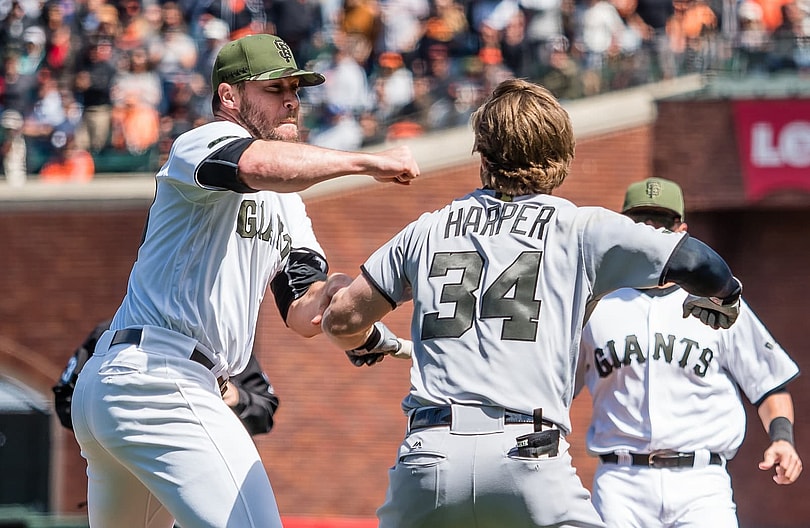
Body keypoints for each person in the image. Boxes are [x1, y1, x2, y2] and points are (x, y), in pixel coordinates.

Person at [320, 78, 743, 528]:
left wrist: (366, 338)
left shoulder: (427, 228)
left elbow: (341, 320)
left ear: (482, 153)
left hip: (430, 457)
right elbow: (699, 262)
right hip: (528, 456)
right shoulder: (581, 228)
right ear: (561, 155)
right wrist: (726, 295)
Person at [69, 33, 419, 528]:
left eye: (296, 88)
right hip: (159, 377)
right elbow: (260, 164)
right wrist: (367, 161)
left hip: (140, 382)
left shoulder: (290, 208)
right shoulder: (201, 142)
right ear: (230, 97)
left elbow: (305, 313)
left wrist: (352, 295)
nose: (292, 99)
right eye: (275, 88)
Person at [576, 177, 802, 528]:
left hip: (701, 484)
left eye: (662, 223)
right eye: (640, 223)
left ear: (681, 230)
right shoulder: (595, 307)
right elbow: (555, 387)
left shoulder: (719, 302)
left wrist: (783, 440)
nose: (651, 232)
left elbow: (770, 384)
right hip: (621, 482)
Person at [54, 319, 280, 437]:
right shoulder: (115, 332)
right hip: (127, 466)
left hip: (205, 471)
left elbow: (265, 410)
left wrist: (237, 397)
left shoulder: (225, 340)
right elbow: (65, 398)